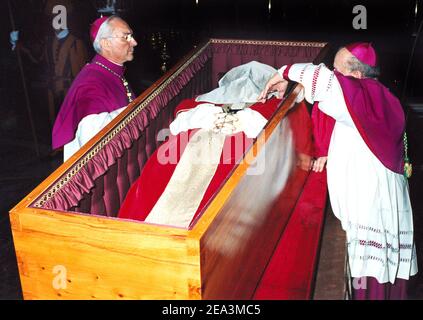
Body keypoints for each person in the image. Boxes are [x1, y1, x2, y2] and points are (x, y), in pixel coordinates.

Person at [258, 43, 418, 300]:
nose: (332, 72)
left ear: (356, 76)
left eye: (337, 69)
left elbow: (319, 79)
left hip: (372, 207)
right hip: (374, 199)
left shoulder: (364, 97)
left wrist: (283, 72)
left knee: (371, 281)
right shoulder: (372, 96)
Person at [118, 61, 313, 228]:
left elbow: (296, 100)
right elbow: (185, 111)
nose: (246, 82)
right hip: (202, 133)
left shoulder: (273, 105)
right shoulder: (207, 101)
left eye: (279, 91)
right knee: (166, 171)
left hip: (235, 139)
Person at [52, 15, 137, 161]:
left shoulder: (111, 71)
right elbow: (95, 141)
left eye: (132, 36)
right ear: (106, 43)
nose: (134, 42)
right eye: (126, 37)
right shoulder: (92, 83)